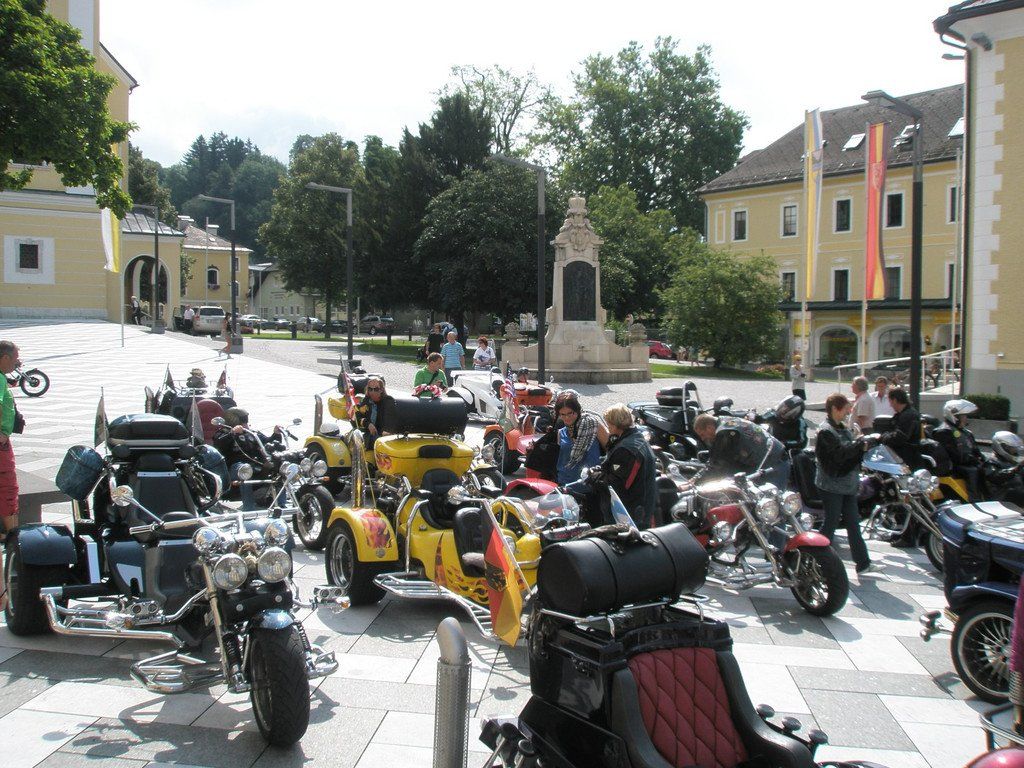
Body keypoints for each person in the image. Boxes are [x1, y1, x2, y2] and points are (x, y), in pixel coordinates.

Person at [815, 393, 876, 575]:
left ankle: (863, 563)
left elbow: (848, 453)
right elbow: (837, 456)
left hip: (847, 485)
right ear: (835, 409)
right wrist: (858, 445)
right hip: (831, 485)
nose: (848, 413)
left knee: (853, 523)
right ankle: (815, 558)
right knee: (831, 523)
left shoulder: (843, 428)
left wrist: (861, 446)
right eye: (846, 410)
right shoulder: (826, 431)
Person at [692, 412, 789, 491]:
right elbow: (715, 459)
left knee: (771, 502)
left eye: (702, 434)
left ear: (709, 427)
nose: (703, 438)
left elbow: (718, 464)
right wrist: (696, 477)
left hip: (773, 464)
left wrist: (694, 483)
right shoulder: (724, 420)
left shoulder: (725, 432)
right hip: (764, 460)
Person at [213, 407, 282, 511]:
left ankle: (281, 504)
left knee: (279, 465)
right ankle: (248, 508)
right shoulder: (223, 434)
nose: (246, 423)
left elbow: (268, 443)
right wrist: (232, 433)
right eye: (243, 420)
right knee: (245, 469)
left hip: (255, 466)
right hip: (233, 469)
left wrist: (276, 434)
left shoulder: (251, 433)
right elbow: (219, 444)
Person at [934, 399, 984, 501]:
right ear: (954, 416)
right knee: (973, 471)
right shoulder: (943, 431)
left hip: (967, 462)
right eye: (963, 416)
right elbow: (952, 455)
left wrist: (981, 459)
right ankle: (974, 500)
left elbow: (975, 450)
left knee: (987, 469)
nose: (966, 419)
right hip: (954, 466)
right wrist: (970, 459)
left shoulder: (966, 432)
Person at [553, 390, 607, 485]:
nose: (567, 418)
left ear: (577, 410)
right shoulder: (561, 433)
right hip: (566, 484)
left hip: (592, 483)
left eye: (570, 413)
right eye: (562, 414)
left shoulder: (594, 426)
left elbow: (610, 449)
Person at [879, 388, 922, 468]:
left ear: (895, 400)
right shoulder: (905, 414)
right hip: (906, 456)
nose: (890, 405)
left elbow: (899, 437)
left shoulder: (908, 416)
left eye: (890, 401)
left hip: (908, 458)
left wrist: (883, 437)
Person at [354, 376, 396, 450]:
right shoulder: (366, 400)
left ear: (381, 390)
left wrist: (385, 432)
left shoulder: (388, 401)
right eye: (370, 389)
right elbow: (357, 416)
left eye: (376, 389)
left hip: (383, 436)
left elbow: (389, 419)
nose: (372, 392)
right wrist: (368, 424)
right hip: (369, 435)